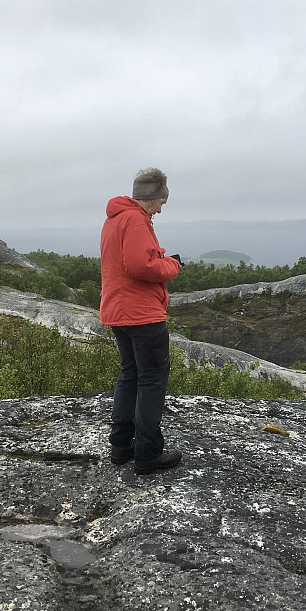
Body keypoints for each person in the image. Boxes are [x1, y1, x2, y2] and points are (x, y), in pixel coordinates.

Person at [100, 168, 183, 475]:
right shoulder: (135, 219)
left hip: (119, 312)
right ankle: (148, 454)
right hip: (142, 314)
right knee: (151, 379)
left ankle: (121, 447)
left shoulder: (115, 218)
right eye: (161, 201)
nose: (161, 208)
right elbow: (140, 265)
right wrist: (171, 265)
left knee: (131, 375)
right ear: (150, 199)